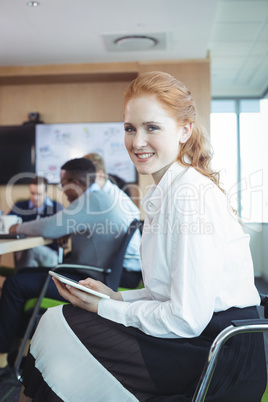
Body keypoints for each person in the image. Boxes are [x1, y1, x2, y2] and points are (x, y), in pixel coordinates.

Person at [19, 72, 266, 402]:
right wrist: (115, 298)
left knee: (56, 325)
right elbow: (165, 293)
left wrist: (107, 309)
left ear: (184, 130)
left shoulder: (189, 196)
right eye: (130, 128)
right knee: (58, 329)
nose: (136, 141)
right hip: (195, 337)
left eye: (152, 127)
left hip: (218, 351)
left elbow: (185, 317)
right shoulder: (166, 192)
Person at [0, 158, 131, 379]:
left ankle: (4, 353)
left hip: (86, 281)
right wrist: (69, 233)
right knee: (21, 277)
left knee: (14, 285)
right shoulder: (101, 198)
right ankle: (18, 351)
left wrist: (16, 226)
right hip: (91, 274)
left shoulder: (92, 200)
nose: (62, 190)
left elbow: (50, 226)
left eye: (63, 184)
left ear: (74, 182)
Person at [84, 152, 142, 289]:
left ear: (99, 175)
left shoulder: (105, 200)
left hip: (121, 273)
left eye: (85, 178)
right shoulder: (116, 193)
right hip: (131, 271)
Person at [8, 176, 63, 271]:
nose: (35, 198)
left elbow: (61, 230)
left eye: (39, 194)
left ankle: (17, 279)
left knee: (30, 249)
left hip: (49, 252)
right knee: (29, 257)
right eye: (32, 193)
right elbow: (8, 225)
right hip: (24, 252)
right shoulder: (20, 206)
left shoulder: (56, 208)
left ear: (46, 192)